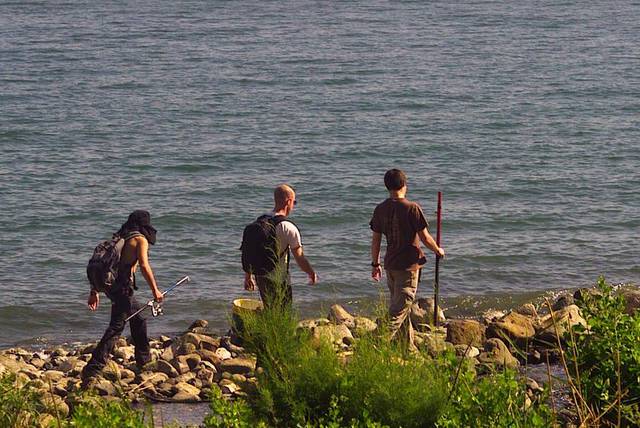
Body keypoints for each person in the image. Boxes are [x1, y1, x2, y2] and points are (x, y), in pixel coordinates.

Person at [81, 210, 163, 384]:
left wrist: (94, 291)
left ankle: (144, 360)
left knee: (138, 318)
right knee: (116, 327)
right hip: (122, 288)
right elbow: (143, 265)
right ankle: (93, 368)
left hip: (111, 286)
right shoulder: (140, 239)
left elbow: (104, 264)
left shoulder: (121, 237)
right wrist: (155, 290)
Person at [369, 169, 445, 350]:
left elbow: (376, 239)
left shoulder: (380, 209)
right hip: (408, 267)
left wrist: (375, 263)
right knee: (398, 311)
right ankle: (374, 344)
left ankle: (407, 349)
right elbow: (425, 237)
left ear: (387, 186)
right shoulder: (412, 208)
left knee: (401, 308)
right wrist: (438, 250)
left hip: (390, 265)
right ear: (405, 185)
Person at [244, 184, 318, 308]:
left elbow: (251, 250)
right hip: (279, 280)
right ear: (288, 202)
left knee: (269, 309)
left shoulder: (261, 221)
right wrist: (311, 273)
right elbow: (299, 257)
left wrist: (248, 276)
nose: (293, 206)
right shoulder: (288, 227)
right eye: (294, 202)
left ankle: (266, 327)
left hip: (261, 276)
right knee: (283, 313)